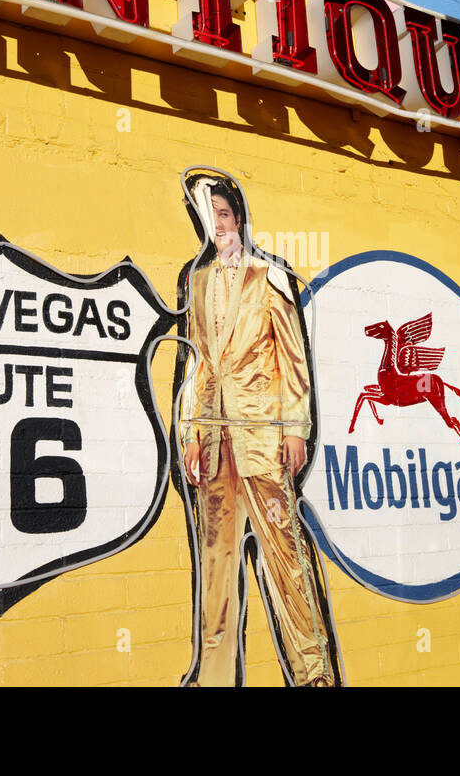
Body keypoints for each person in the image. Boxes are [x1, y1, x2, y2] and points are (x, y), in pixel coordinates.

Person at [179, 177, 338, 687]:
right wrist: (189, 433)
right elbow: (197, 365)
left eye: (224, 213)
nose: (218, 223)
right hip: (214, 442)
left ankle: (314, 672)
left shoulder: (268, 276)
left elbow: (293, 357)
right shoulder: (197, 283)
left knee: (286, 560)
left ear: (239, 219)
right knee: (215, 568)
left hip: (263, 437)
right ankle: (215, 675)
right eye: (210, 215)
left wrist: (295, 427)